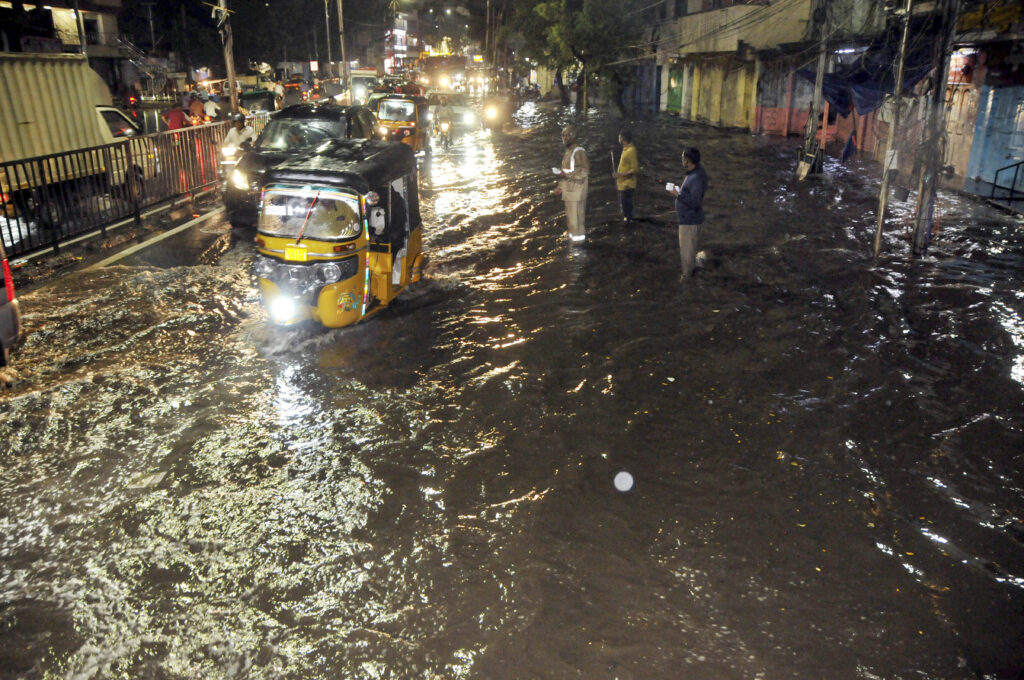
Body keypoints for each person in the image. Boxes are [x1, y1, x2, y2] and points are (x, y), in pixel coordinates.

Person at [668, 146, 708, 278]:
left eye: (682, 157)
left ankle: (687, 283)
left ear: (688, 160)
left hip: (689, 223)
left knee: (686, 259)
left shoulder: (695, 177)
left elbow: (695, 202)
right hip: (693, 220)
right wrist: (680, 191)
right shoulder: (697, 172)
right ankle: (697, 265)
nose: (681, 159)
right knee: (691, 252)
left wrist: (677, 194)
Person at [553, 125, 590, 243]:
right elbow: (568, 172)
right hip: (570, 192)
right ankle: (574, 245)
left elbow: (584, 171)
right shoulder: (568, 152)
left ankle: (579, 247)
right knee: (572, 221)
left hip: (576, 193)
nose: (565, 138)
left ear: (574, 135)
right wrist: (560, 187)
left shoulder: (578, 152)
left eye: (568, 135)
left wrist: (566, 176)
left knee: (576, 221)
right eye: (563, 135)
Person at [612, 129, 638, 222]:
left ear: (623, 138)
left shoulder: (631, 150)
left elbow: (634, 169)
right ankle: (628, 221)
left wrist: (620, 174)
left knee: (627, 208)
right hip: (623, 184)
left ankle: (629, 222)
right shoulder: (626, 149)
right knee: (625, 207)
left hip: (627, 185)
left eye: (619, 137)